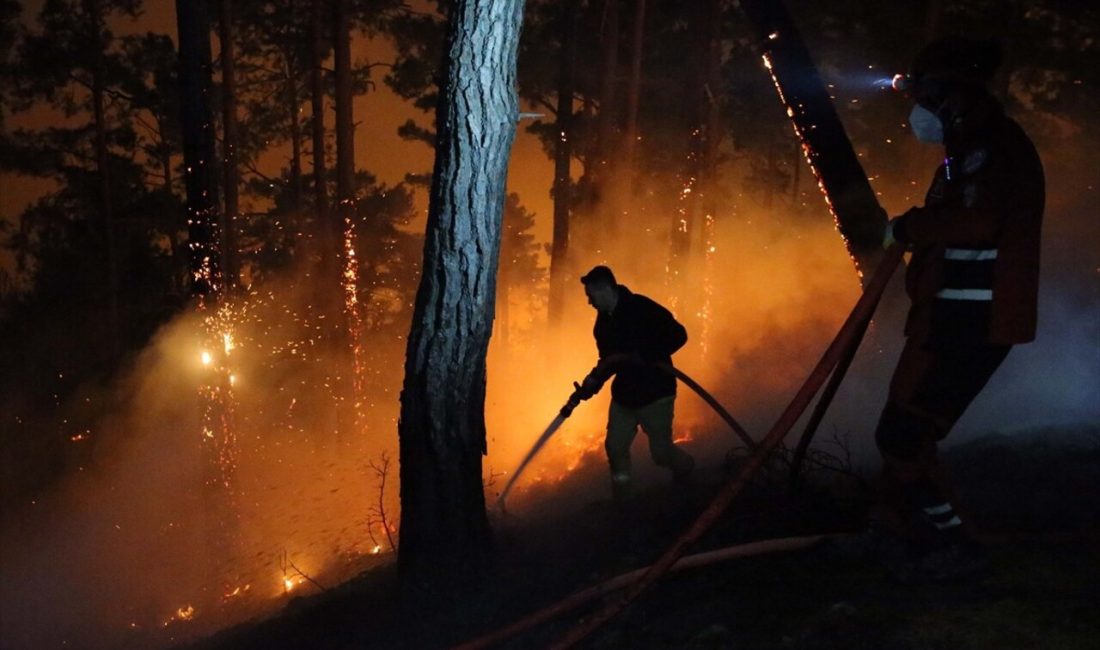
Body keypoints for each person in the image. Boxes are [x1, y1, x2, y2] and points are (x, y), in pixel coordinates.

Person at [870, 36, 1045, 580]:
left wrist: (908, 226)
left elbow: (977, 222)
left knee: (903, 436)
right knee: (903, 432)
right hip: (948, 317)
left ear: (949, 95)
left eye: (923, 94)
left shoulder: (988, 147)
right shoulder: (971, 146)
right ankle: (918, 530)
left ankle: (955, 543)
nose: (917, 109)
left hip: (972, 321)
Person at [574, 265, 695, 501]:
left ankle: (686, 468)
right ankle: (623, 499)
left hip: (656, 394)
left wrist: (646, 355)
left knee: (660, 454)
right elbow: (609, 361)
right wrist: (593, 383)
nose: (589, 302)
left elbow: (679, 334)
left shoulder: (641, 308)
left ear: (606, 289)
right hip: (625, 397)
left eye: (590, 295)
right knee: (615, 448)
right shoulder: (602, 326)